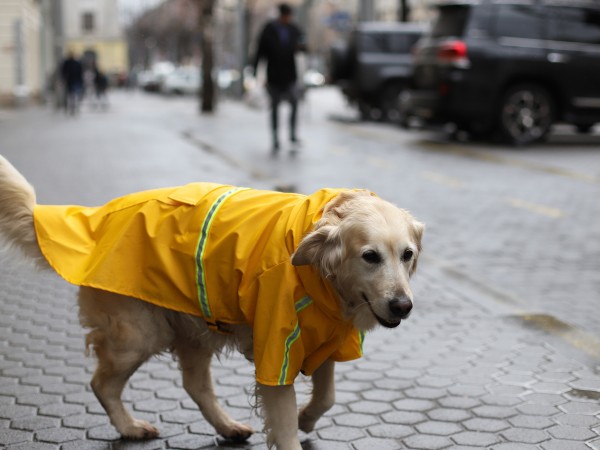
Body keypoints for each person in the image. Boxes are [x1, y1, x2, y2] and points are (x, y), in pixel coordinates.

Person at [253, 3, 306, 153]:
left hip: (290, 75)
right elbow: (260, 50)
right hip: (274, 76)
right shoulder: (269, 29)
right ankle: (275, 137)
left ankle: (292, 134)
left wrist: (301, 46)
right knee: (274, 107)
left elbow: (304, 45)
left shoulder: (294, 29)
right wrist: (255, 70)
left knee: (295, 103)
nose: (288, 19)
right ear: (281, 15)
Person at [61, 51, 84, 115]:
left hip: (74, 81)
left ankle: (73, 107)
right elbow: (63, 72)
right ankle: (72, 107)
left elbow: (80, 73)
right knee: (71, 95)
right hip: (72, 81)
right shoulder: (68, 63)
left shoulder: (74, 63)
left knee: (73, 95)